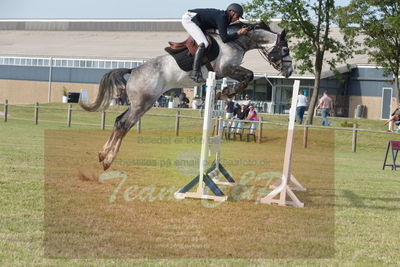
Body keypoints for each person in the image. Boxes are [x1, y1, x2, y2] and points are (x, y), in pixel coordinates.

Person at [181, 3, 248, 83]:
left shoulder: (224, 18)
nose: (237, 19)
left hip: (198, 21)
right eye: (237, 16)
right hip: (189, 19)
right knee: (204, 43)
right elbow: (225, 38)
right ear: (231, 12)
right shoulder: (222, 18)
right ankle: (195, 73)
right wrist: (238, 33)